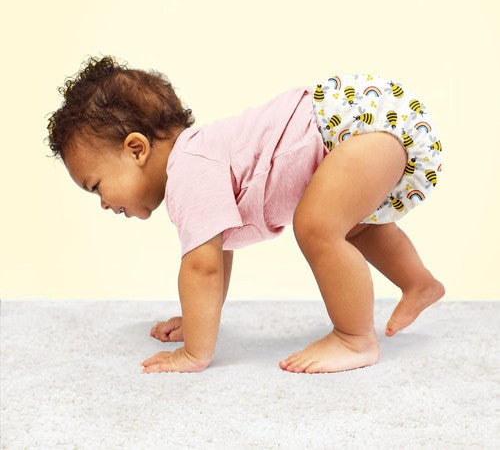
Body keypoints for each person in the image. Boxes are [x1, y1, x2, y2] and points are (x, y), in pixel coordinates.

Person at [45, 56, 445, 374]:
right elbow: (217, 255)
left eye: (96, 186)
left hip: (358, 127)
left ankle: (355, 338)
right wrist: (199, 319)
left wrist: (194, 352)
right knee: (352, 228)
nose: (103, 203)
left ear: (136, 149)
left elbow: (202, 269)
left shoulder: (187, 169)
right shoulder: (201, 161)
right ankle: (419, 283)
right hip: (369, 127)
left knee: (317, 227)